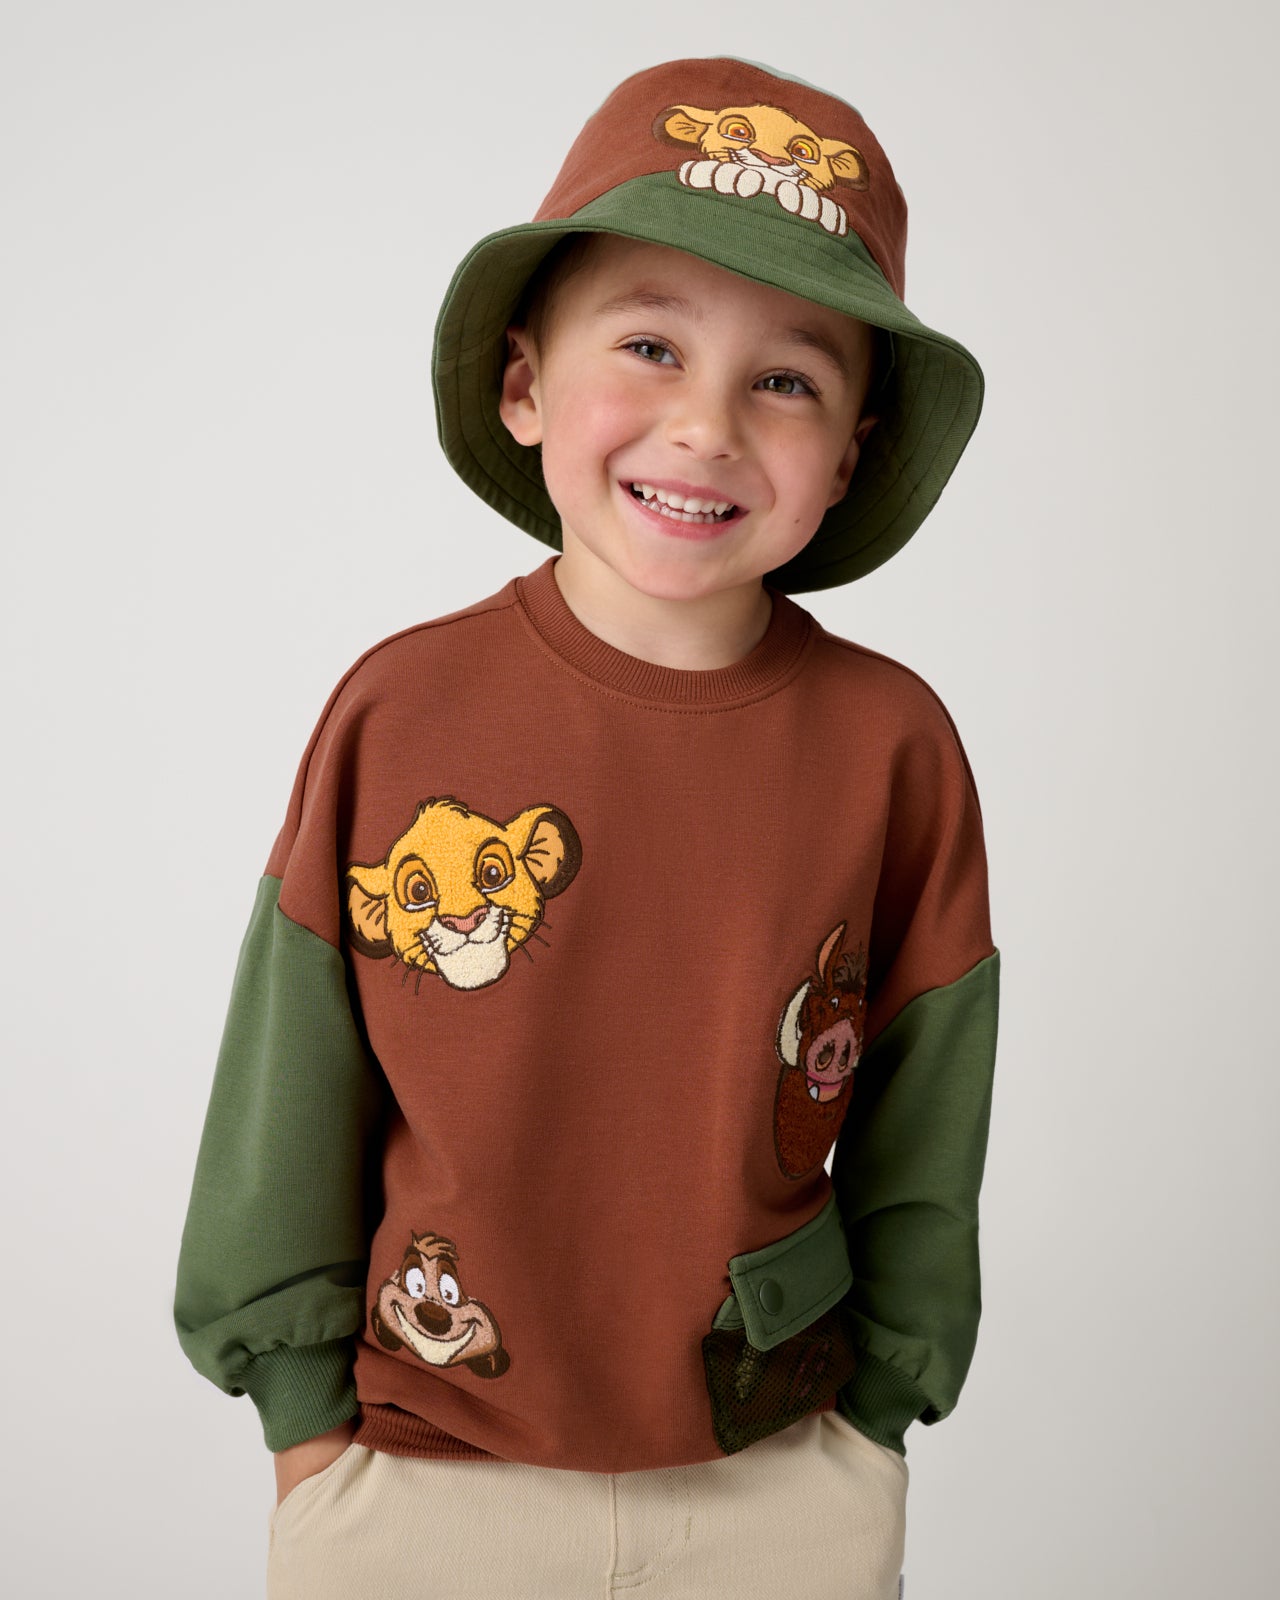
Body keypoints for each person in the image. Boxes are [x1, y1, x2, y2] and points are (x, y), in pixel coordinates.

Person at [174, 54, 1000, 1600]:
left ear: (852, 452)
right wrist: (305, 1431)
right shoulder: (402, 709)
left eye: (786, 379)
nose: (706, 425)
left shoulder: (892, 748)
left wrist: (876, 1423)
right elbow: (291, 1087)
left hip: (778, 1471)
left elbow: (927, 1115)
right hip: (424, 1470)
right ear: (524, 385)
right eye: (650, 345)